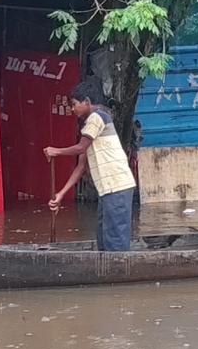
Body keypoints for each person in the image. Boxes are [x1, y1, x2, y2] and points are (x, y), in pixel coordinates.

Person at [44, 77, 137, 251]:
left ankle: (117, 273)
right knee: (104, 239)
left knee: (115, 241)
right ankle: (109, 271)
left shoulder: (98, 117)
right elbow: (80, 167)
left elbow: (80, 148)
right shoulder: (90, 127)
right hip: (108, 189)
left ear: (86, 102)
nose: (72, 109)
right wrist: (61, 195)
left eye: (74, 104)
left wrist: (56, 151)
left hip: (117, 187)